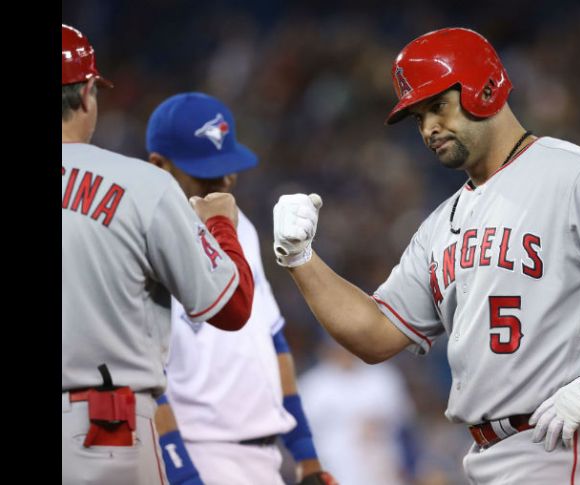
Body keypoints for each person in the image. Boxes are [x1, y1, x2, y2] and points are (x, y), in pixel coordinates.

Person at [271, 27, 580, 485]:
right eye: (418, 117)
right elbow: (375, 335)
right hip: (492, 452)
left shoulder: (573, 174)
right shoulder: (441, 224)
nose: (428, 128)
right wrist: (300, 258)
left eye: (438, 106)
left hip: (566, 437)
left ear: (485, 86)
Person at [62, 26, 254, 485]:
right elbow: (232, 307)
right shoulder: (140, 184)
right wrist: (221, 224)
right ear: (87, 93)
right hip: (103, 431)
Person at [145, 92, 336, 485]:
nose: (226, 182)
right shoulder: (142, 236)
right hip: (198, 452)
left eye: (228, 169)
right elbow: (142, 373)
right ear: (159, 166)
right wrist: (180, 473)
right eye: (208, 175)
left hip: (264, 458)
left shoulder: (239, 226)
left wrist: (306, 456)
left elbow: (272, 341)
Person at [299, 338, 420, 485]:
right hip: (334, 468)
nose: (344, 351)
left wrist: (380, 422)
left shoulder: (383, 376)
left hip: (380, 468)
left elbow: (405, 419)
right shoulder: (313, 385)